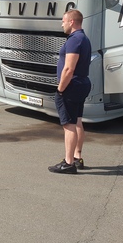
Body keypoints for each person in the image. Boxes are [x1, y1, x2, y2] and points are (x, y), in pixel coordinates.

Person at [48, 9, 91, 174]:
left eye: (63, 21)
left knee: (69, 125)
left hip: (71, 86)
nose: (62, 24)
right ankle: (77, 156)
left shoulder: (74, 40)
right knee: (77, 121)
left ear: (71, 22)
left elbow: (68, 68)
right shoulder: (84, 38)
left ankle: (68, 163)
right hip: (81, 83)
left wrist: (60, 90)